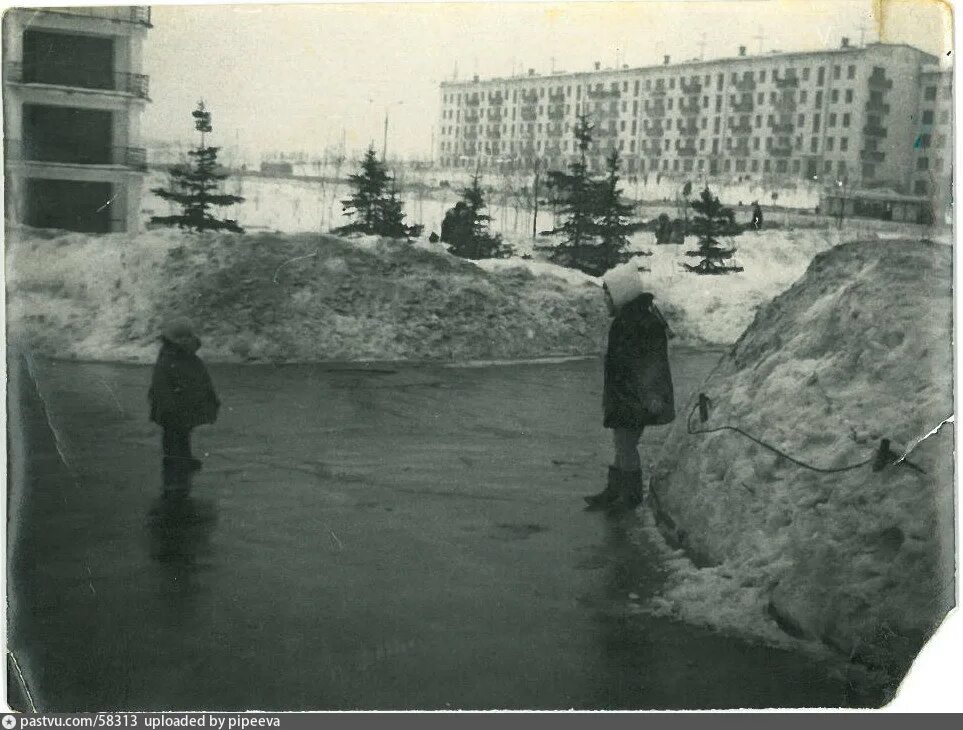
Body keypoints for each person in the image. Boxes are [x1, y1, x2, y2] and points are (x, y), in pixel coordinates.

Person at [585, 264, 675, 513]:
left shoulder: (642, 323)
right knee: (621, 443)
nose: (605, 300)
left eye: (608, 294)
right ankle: (615, 490)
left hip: (637, 397)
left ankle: (630, 496)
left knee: (626, 445)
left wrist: (652, 395)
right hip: (625, 395)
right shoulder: (628, 320)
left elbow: (654, 363)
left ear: (622, 293)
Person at [149, 318, 220, 497]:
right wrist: (168, 408)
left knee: (184, 433)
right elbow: (161, 387)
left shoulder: (190, 358)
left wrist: (209, 400)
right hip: (170, 409)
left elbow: (203, 380)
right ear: (173, 340)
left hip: (186, 407)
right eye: (181, 337)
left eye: (188, 336)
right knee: (172, 436)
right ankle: (174, 469)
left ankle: (184, 459)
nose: (186, 340)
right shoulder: (166, 361)